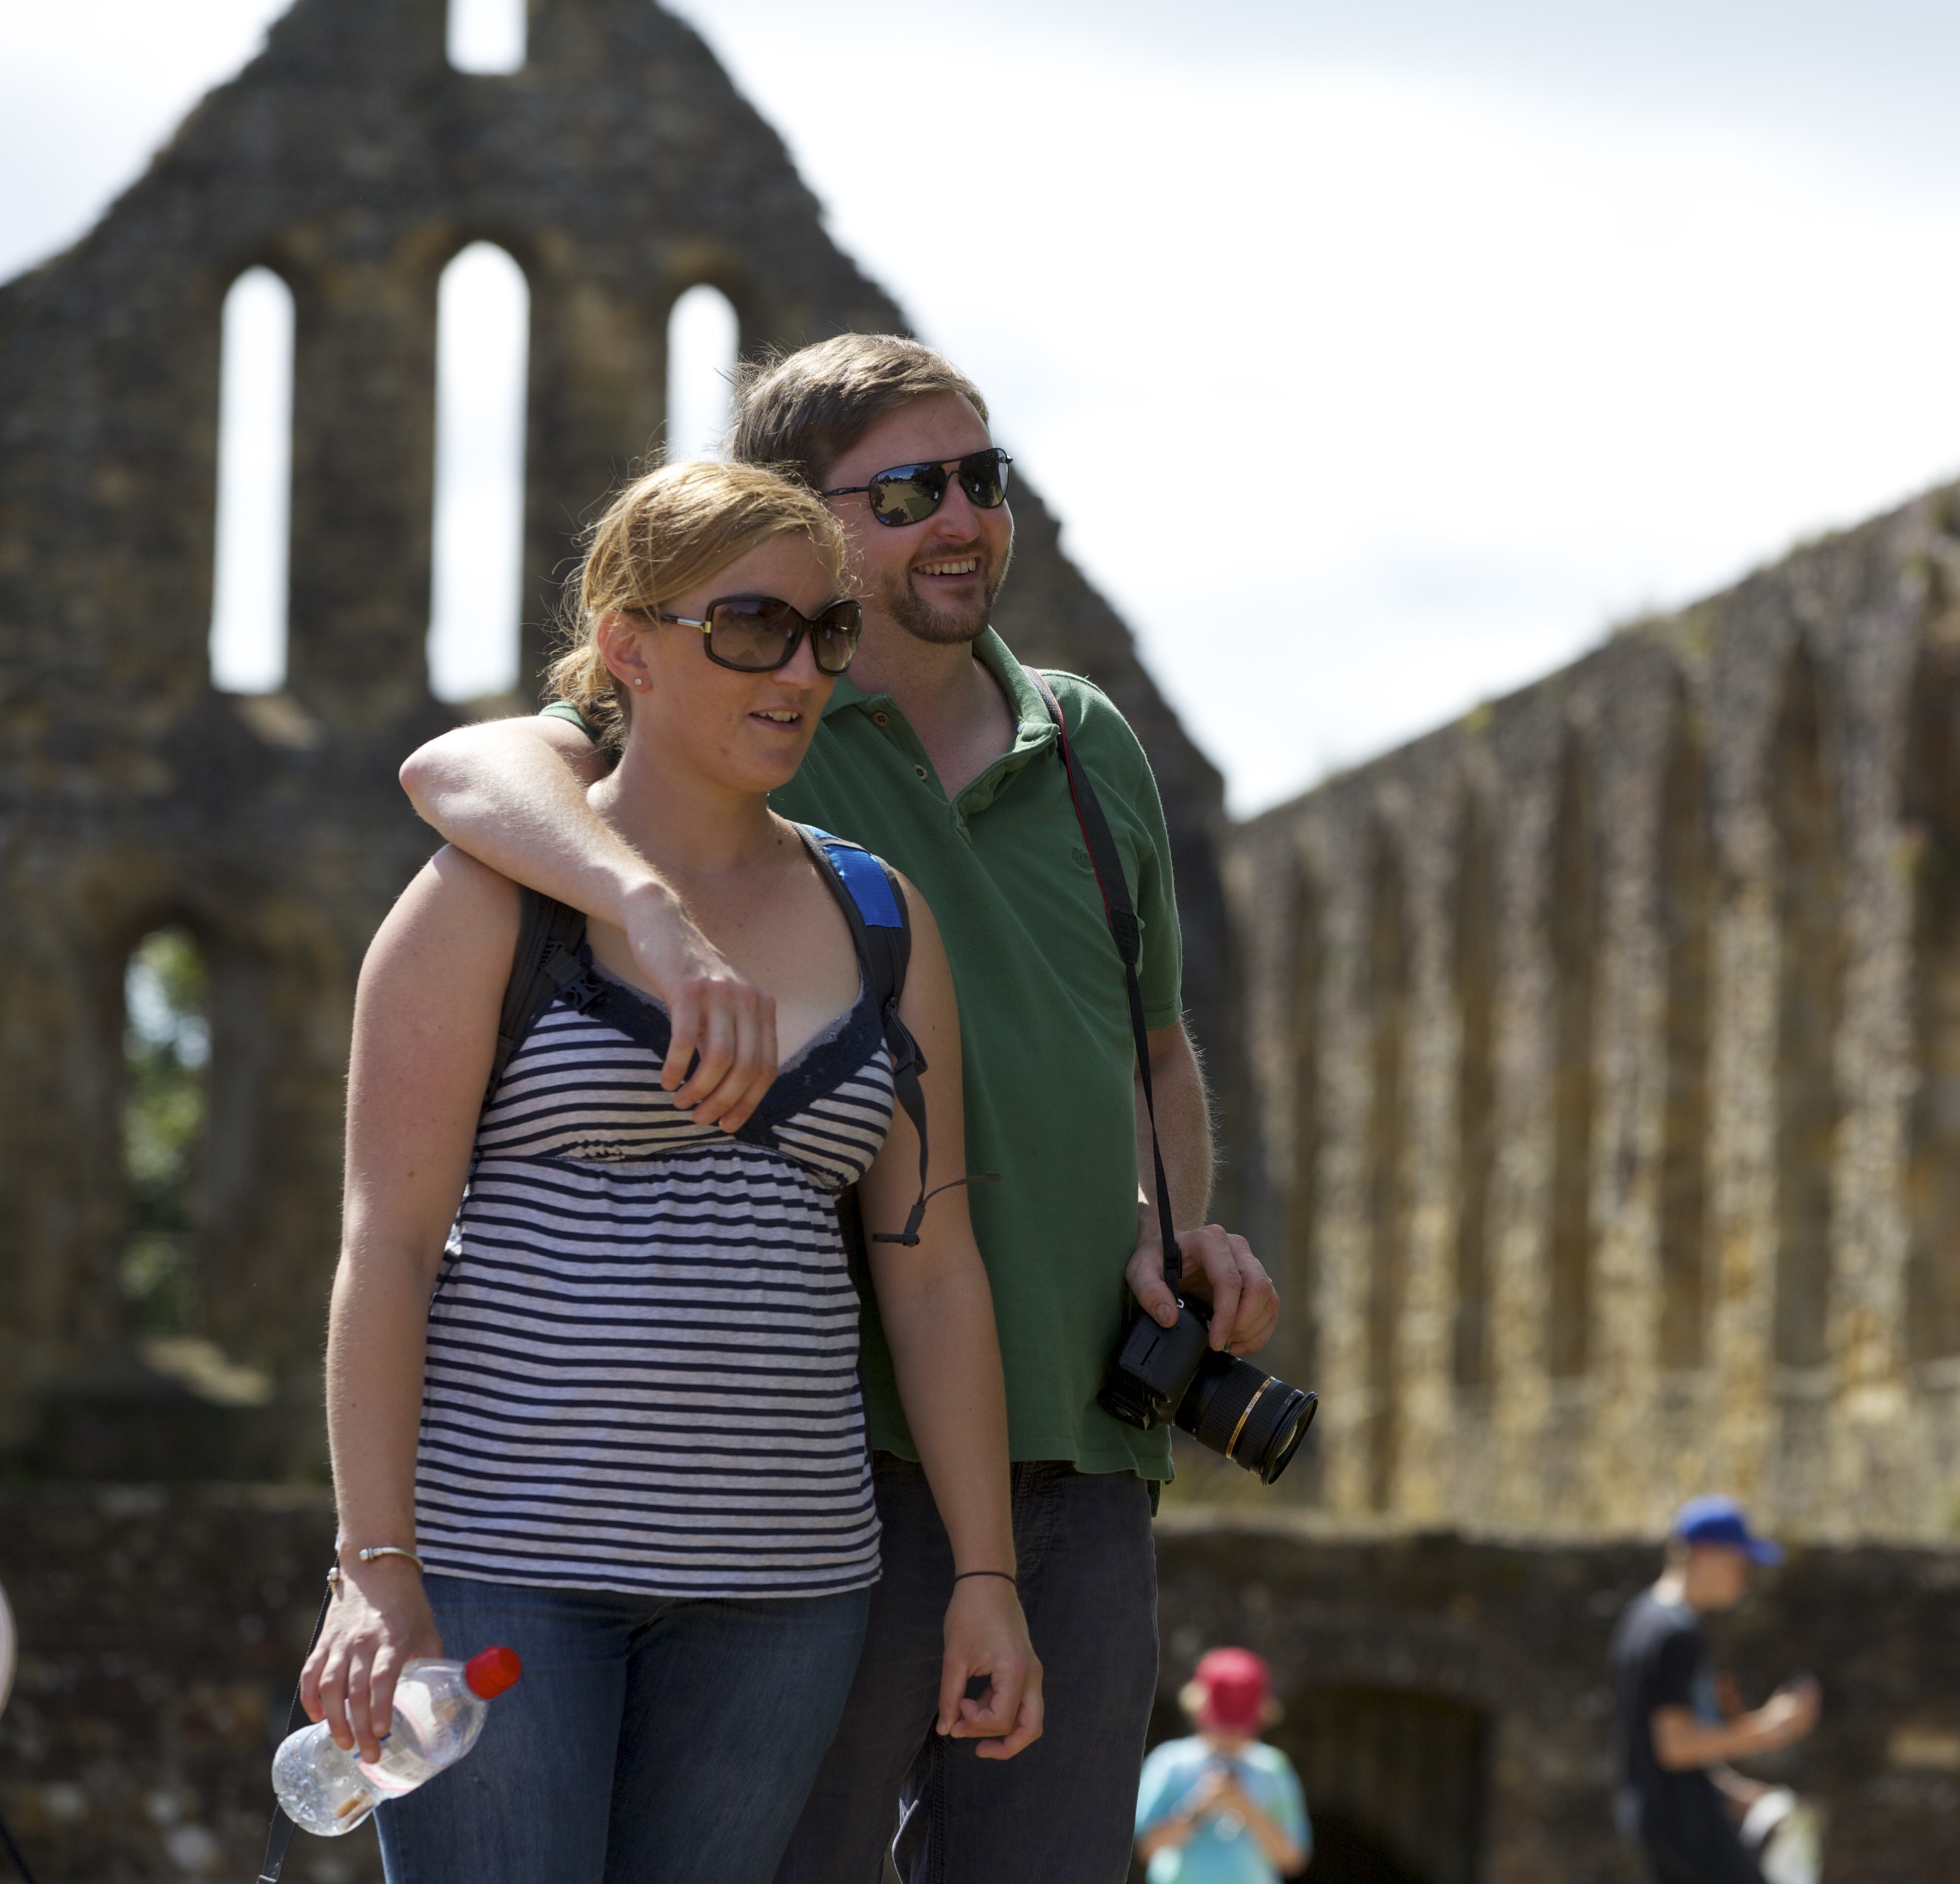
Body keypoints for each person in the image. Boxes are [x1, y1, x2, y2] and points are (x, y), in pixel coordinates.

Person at [396, 333, 1282, 1883]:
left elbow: (1150, 1055)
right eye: (909, 490)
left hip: (1083, 1429)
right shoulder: (752, 728)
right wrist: (643, 905)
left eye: (981, 479)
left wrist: (1170, 1227)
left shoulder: (1089, 745)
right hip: (829, 1455)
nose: (962, 518)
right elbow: (471, 765)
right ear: (791, 522)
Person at [301, 460, 1038, 1883]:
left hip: (783, 1592)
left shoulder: (881, 914)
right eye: (752, 625)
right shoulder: (487, 896)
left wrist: (986, 1578)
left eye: (826, 632)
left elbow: (932, 1271)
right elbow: (384, 1245)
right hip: (504, 1560)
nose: (800, 669)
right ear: (630, 648)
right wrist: (374, 1566)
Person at [1610, 1497, 1822, 1884]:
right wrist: (1769, 1728)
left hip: (1659, 1817)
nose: (1744, 1578)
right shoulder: (1676, 1633)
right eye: (1739, 1563)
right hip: (1685, 1823)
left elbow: (1654, 1741)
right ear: (1706, 1556)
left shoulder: (1642, 1617)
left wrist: (1729, 1789)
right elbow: (1674, 1747)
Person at [1133, 1649, 1312, 1883]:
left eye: (1239, 1724)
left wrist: (1245, 1808)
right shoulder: (1170, 1763)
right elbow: (1146, 1847)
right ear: (1198, 1707)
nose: (1231, 1734)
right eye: (1224, 1722)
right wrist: (1199, 1808)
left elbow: (1293, 1859)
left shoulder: (1274, 1769)